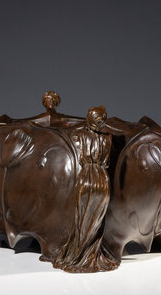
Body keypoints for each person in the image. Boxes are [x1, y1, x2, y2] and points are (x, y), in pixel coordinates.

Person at [52, 105, 119, 272]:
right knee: (94, 219)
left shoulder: (80, 135)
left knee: (83, 217)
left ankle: (78, 253)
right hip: (102, 178)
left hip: (87, 177)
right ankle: (87, 252)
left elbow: (69, 132)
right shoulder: (107, 137)